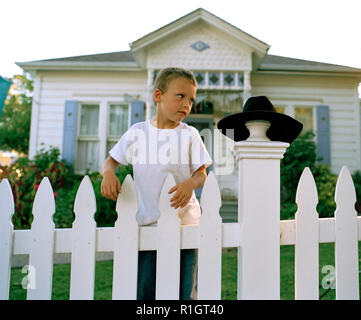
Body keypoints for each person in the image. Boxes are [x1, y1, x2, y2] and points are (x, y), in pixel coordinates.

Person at [101, 67, 213, 300]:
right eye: (180, 96)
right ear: (158, 96)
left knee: (185, 293)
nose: (187, 104)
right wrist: (108, 174)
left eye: (191, 99)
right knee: (145, 292)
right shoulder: (137, 132)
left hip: (187, 225)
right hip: (148, 224)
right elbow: (110, 162)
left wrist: (190, 184)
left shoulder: (190, 134)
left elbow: (202, 173)